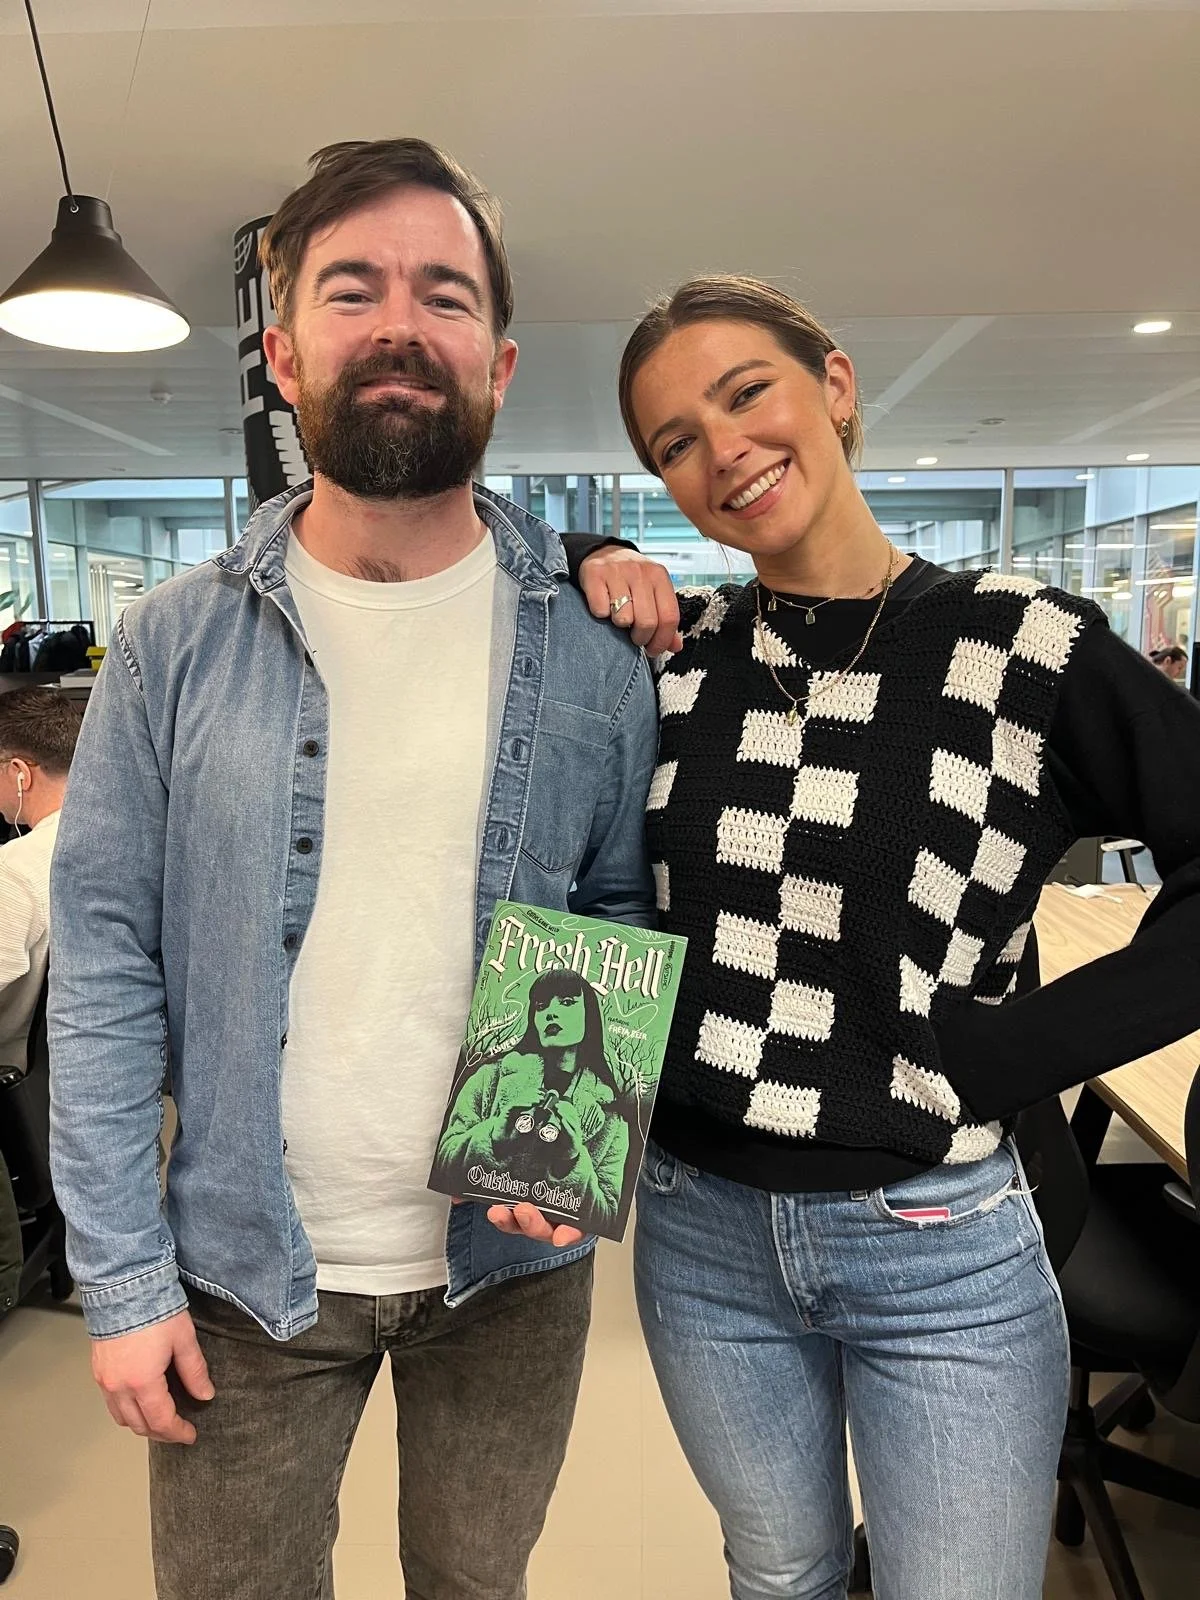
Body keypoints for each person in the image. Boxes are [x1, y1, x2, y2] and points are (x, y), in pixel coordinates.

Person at [49, 138, 656, 1600]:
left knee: (474, 1587)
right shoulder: (173, 644)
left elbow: (619, 905)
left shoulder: (601, 646)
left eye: (444, 295)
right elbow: (106, 954)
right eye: (353, 288)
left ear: (500, 361)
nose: (401, 323)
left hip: (506, 1273)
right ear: (283, 348)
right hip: (243, 1271)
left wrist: (575, 1152)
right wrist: (120, 1277)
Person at [538, 275, 1200, 1600]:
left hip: (940, 1244)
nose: (721, 451)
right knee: (780, 1578)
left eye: (746, 395)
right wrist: (567, 560)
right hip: (697, 1228)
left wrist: (1023, 1049)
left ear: (834, 387)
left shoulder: (1023, 643)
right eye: (674, 442)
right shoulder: (668, 657)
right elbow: (589, 882)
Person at [437, 969, 632, 1228]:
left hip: (553, 1250)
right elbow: (443, 1163)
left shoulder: (612, 1119)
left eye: (567, 1002)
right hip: (478, 1221)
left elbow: (607, 1217)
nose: (550, 1012)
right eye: (541, 1006)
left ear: (591, 1016)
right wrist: (493, 1138)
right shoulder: (490, 1078)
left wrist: (572, 1160)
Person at [0, 686, 81, 1068]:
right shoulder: (117, 845)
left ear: (19, 773)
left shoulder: (14, 871)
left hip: (14, 1079)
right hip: (70, 1070)